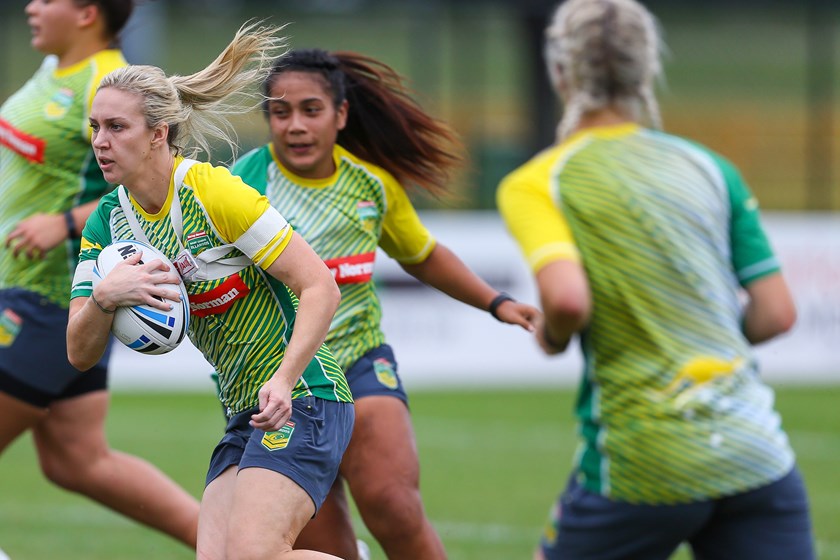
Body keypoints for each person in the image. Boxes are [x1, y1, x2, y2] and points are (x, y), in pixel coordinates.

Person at [497, 1, 816, 559]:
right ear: (646, 72)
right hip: (756, 455)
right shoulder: (710, 168)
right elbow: (776, 312)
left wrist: (552, 335)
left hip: (644, 461)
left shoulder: (540, 181)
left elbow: (568, 299)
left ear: (560, 73)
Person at [231, 48, 541, 560]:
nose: (295, 126)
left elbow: (423, 255)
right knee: (324, 545)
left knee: (393, 504)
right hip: (280, 386)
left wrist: (497, 302)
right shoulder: (240, 186)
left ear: (341, 115)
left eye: (311, 110)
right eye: (280, 112)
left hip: (360, 362)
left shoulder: (370, 185)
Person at [66, 22, 356, 560]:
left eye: (116, 127)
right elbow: (79, 353)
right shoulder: (107, 224)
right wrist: (107, 295)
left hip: (305, 396)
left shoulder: (212, 192)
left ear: (158, 133)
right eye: (95, 127)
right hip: (245, 411)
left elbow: (320, 287)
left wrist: (285, 379)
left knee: (254, 554)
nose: (100, 142)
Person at [0, 0, 199, 548]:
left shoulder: (103, 86)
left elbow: (147, 185)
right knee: (76, 460)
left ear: (87, 11)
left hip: (49, 299)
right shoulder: (52, 69)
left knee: (79, 459)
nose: (31, 7)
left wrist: (62, 223)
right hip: (24, 291)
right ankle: (237, 545)